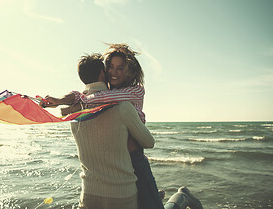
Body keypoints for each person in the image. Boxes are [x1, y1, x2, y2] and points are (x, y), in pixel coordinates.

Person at [44, 51, 203, 209]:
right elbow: (81, 94)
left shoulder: (133, 91)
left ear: (128, 71)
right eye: (110, 67)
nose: (113, 72)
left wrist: (76, 106)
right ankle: (154, 197)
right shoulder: (103, 98)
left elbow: (98, 98)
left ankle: (181, 196)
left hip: (136, 158)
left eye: (120, 68)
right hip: (119, 174)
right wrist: (60, 100)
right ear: (103, 72)